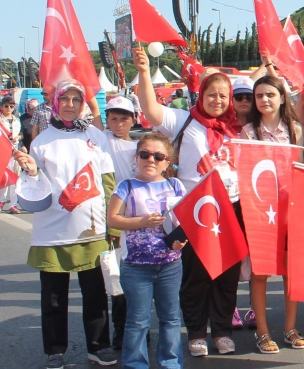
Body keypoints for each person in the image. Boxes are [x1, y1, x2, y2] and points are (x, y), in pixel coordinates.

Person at [133, 46, 244, 356]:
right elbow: (152, 110)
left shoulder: (236, 129)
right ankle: (196, 331)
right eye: (212, 94)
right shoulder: (184, 120)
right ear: (202, 95)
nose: (218, 100)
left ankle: (221, 330)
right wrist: (144, 72)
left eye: (224, 95)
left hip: (231, 209)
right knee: (195, 274)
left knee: (225, 273)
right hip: (194, 211)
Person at [13, 79, 118, 368]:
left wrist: (114, 225)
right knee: (54, 298)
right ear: (56, 103)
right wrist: (32, 171)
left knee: (96, 294)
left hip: (92, 230)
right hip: (52, 231)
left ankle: (99, 346)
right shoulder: (42, 142)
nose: (70, 105)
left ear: (83, 103)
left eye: (76, 99)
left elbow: (108, 183)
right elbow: (34, 187)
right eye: (65, 99)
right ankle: (54, 350)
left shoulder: (97, 137)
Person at [240, 75, 304, 354]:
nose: (264, 100)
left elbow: (301, 170)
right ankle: (262, 332)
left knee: (291, 271)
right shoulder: (247, 132)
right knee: (260, 273)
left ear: (282, 98)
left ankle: (290, 328)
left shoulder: (295, 129)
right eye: (259, 96)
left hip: (291, 209)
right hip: (260, 211)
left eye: (270, 94)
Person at [107, 132, 186, 369]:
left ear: (167, 162)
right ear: (137, 157)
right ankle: (135, 364)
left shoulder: (175, 184)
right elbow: (112, 220)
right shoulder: (126, 186)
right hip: (135, 266)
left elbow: (185, 222)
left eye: (158, 156)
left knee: (171, 319)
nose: (151, 160)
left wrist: (183, 242)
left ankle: (171, 362)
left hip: (170, 264)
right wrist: (141, 222)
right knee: (138, 321)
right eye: (145, 154)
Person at [103, 96, 141, 350]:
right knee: (117, 278)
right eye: (113, 118)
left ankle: (140, 330)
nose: (118, 124)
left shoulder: (141, 147)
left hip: (139, 219)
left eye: (124, 118)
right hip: (114, 219)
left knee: (138, 280)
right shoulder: (102, 141)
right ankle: (120, 331)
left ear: (134, 120)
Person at [1, 96, 23, 214]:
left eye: (11, 106)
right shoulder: (0, 120)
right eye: (6, 106)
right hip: (3, 152)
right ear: (2, 107)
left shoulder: (17, 120)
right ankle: (1, 200)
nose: (9, 108)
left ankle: (13, 204)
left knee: (15, 179)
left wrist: (18, 137)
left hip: (14, 152)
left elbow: (22, 134)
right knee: (3, 178)